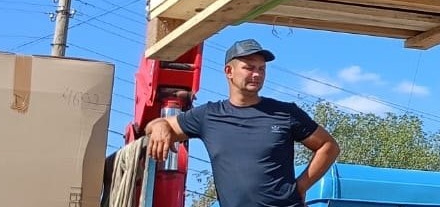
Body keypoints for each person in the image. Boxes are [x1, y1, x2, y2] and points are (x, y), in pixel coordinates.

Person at [146, 39, 340, 207]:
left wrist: (301, 186)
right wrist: (160, 126)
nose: (257, 74)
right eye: (249, 67)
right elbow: (155, 126)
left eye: (261, 69)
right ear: (229, 71)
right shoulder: (208, 115)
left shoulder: (285, 113)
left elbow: (328, 146)